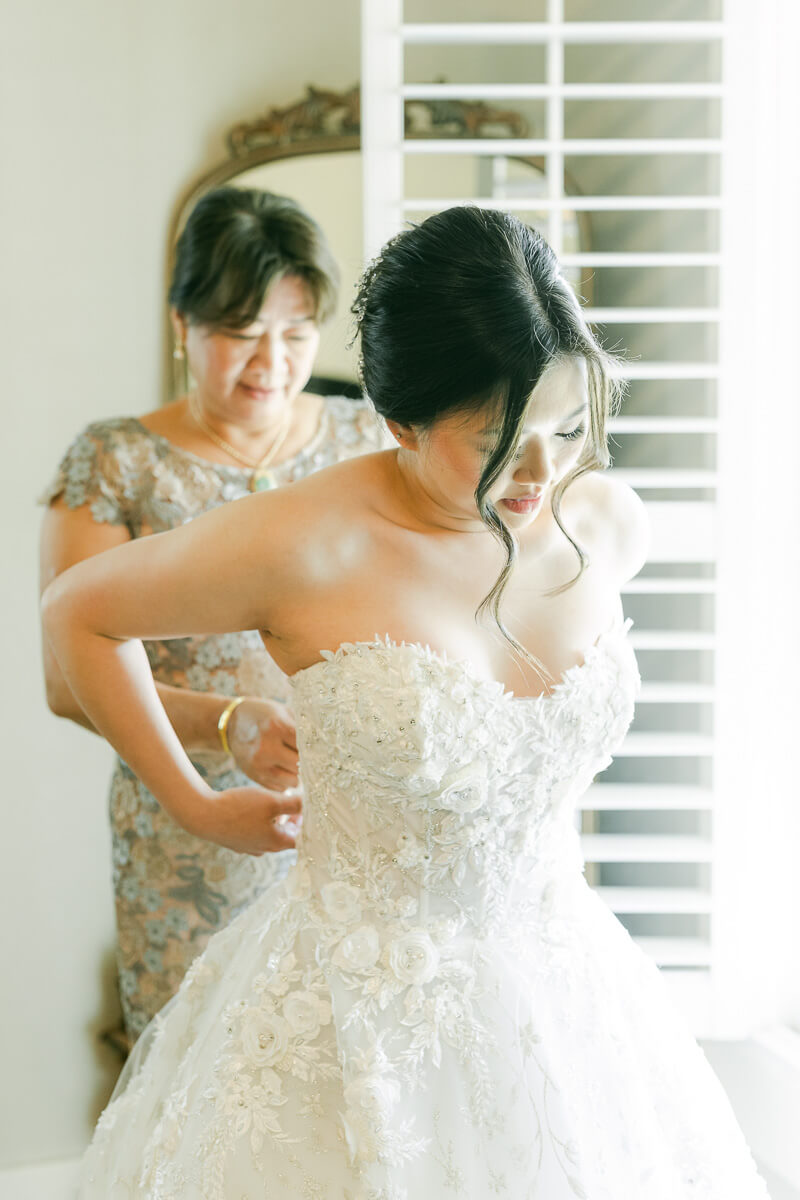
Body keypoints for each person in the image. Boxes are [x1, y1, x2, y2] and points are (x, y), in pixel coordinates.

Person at [43, 207, 770, 1198]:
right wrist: (195, 798)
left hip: (567, 995)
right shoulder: (304, 542)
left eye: (564, 429)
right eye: (498, 442)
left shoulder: (603, 522)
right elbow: (77, 616)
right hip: (355, 1015)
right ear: (399, 422)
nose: (541, 474)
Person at [38, 186, 386, 1047]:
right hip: (182, 825)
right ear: (181, 324)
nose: (271, 361)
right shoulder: (114, 460)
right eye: (241, 332)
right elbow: (65, 683)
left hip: (347, 815)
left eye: (297, 333)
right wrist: (226, 725)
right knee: (195, 1072)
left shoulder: (367, 442)